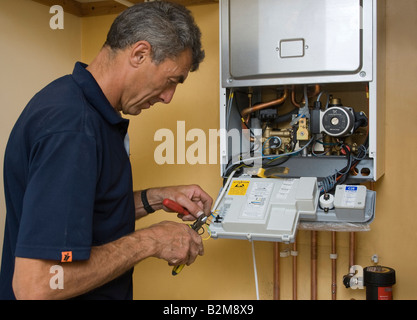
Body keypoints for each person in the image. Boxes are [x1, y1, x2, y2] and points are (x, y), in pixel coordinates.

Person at [0, 1, 212, 300]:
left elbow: (85, 212)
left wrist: (156, 199)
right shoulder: (74, 128)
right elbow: (38, 285)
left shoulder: (82, 106)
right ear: (140, 53)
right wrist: (151, 240)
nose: (168, 97)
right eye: (171, 81)